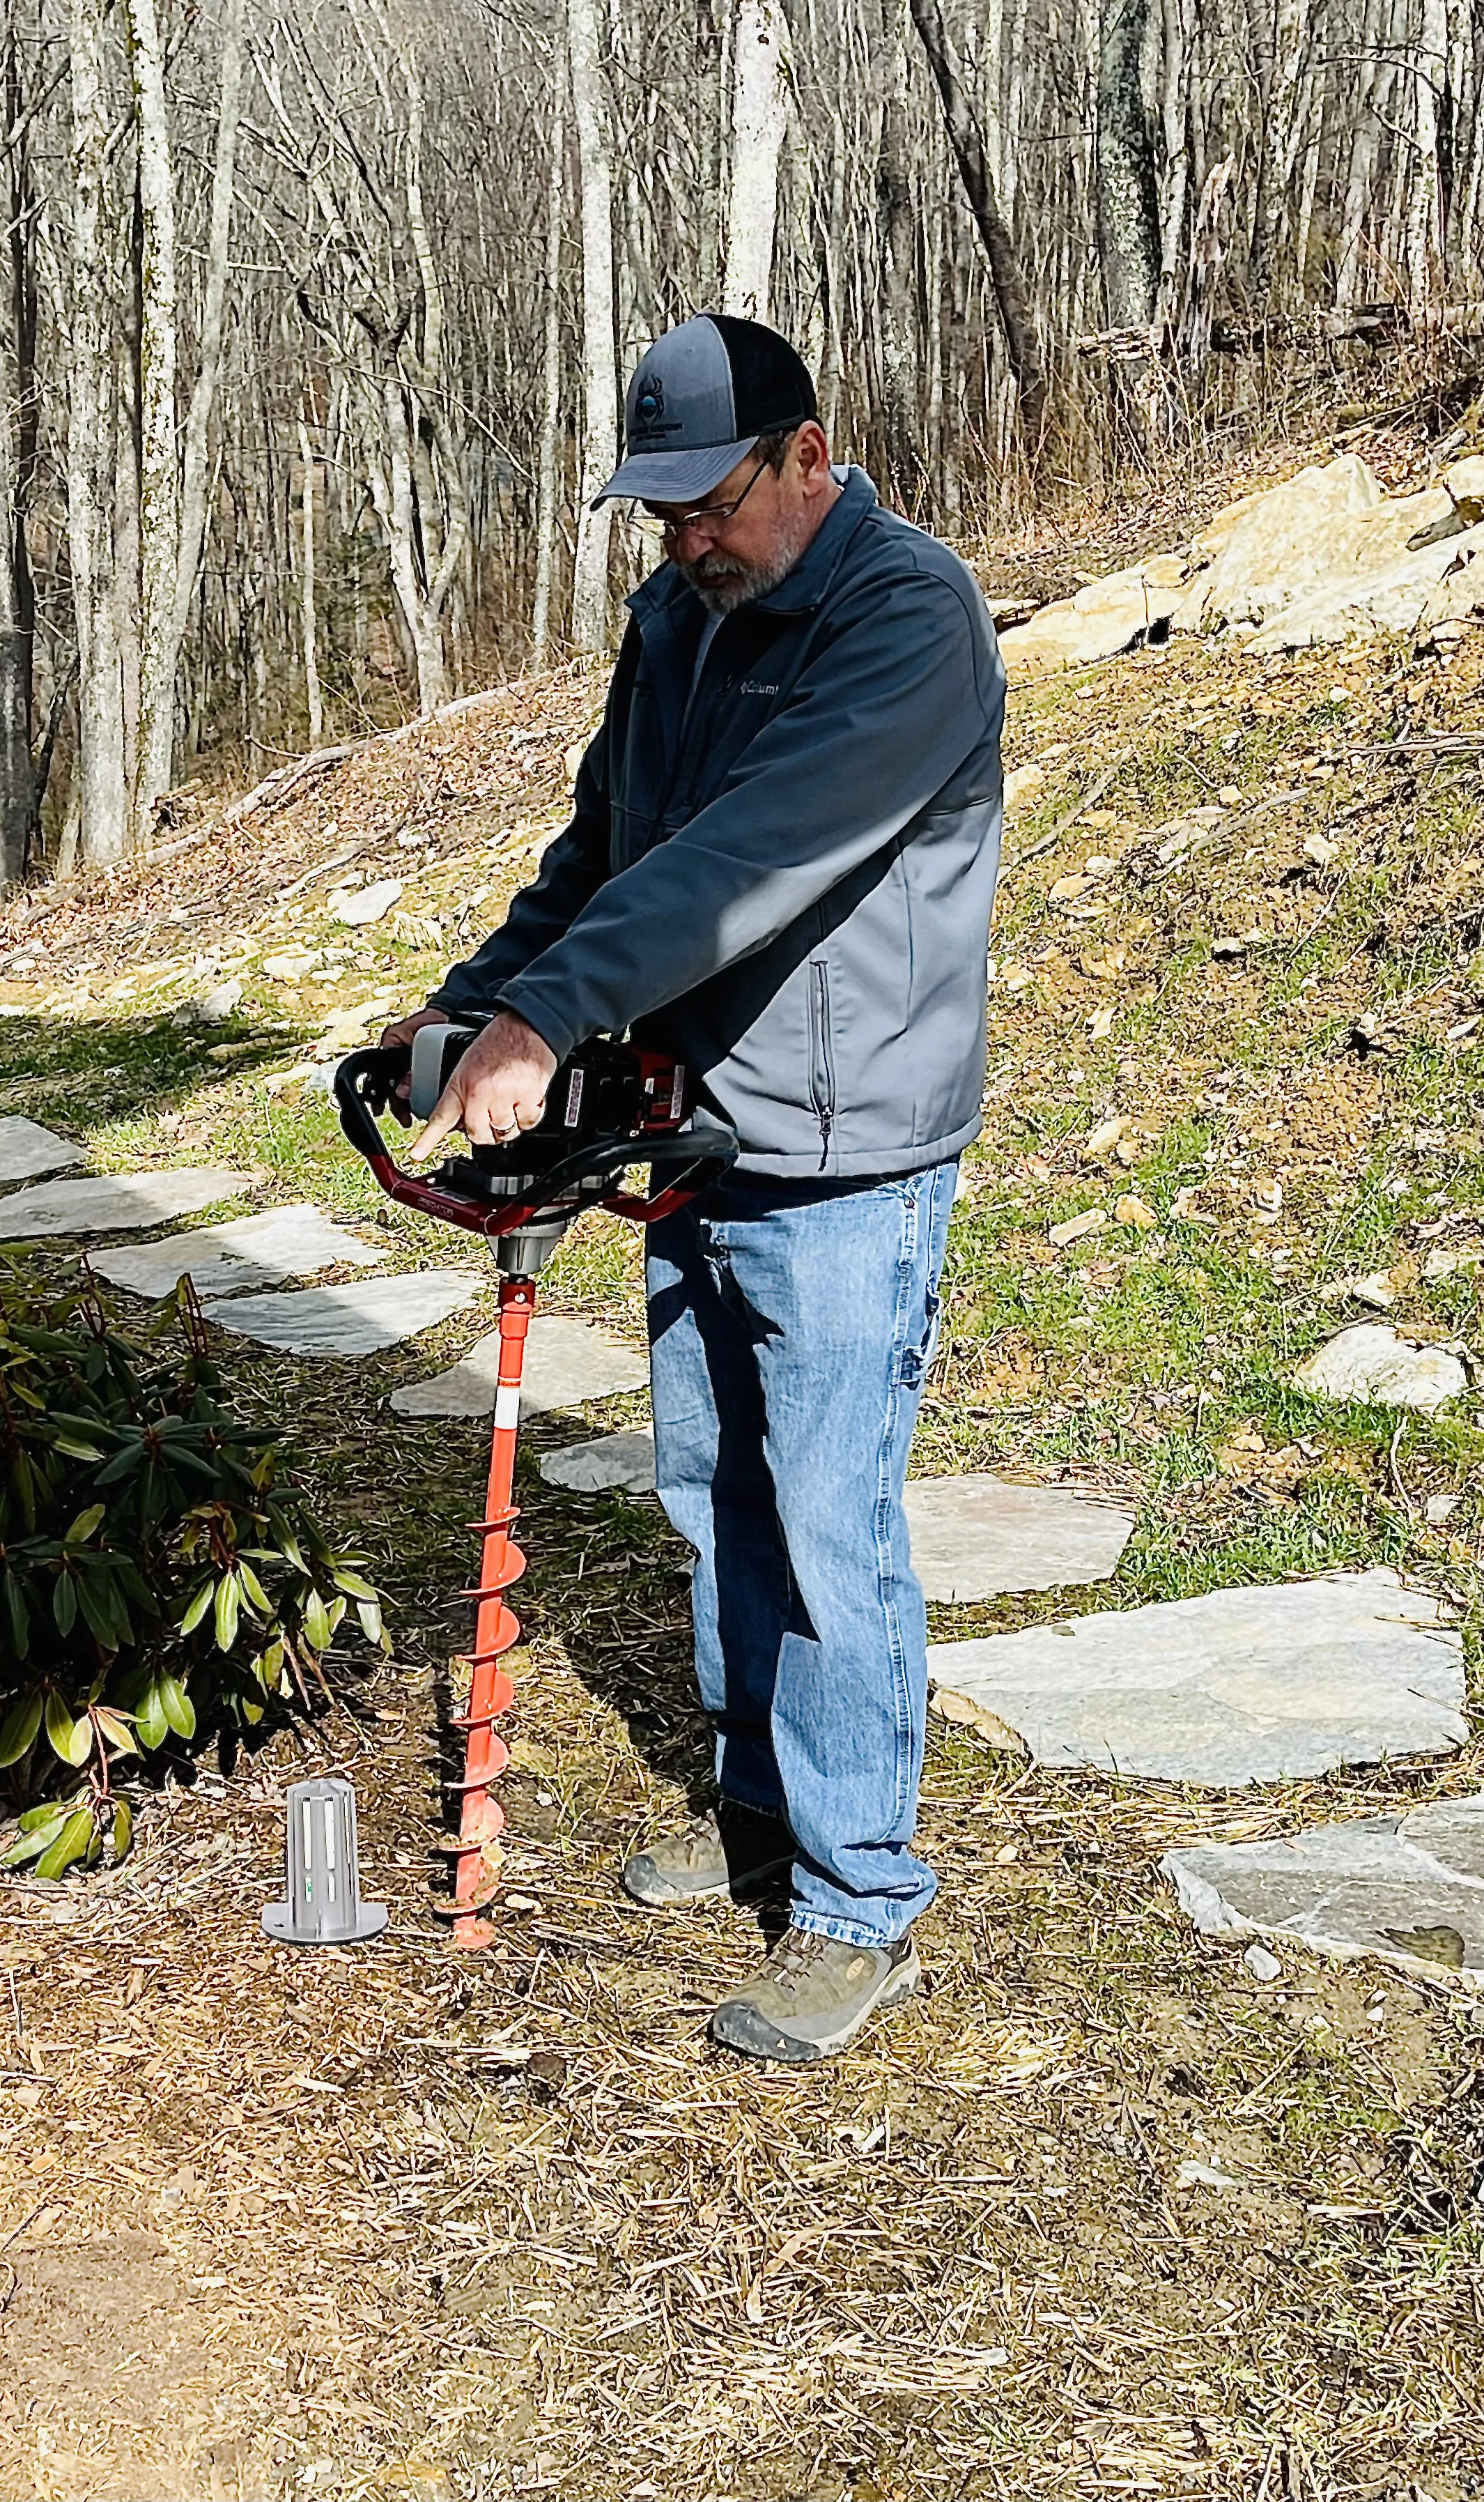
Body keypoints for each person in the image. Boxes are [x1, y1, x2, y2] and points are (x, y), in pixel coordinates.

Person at [387, 312, 1005, 2064]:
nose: (684, 542)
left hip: (845, 1146)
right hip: (695, 1125)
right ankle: (757, 1799)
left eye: (713, 503)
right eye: (658, 515)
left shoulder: (906, 621)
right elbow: (608, 848)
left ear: (812, 453)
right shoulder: (680, 616)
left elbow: (750, 858)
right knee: (707, 1480)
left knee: (826, 1514)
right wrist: (480, 998)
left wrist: (553, 1016)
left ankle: (859, 1891)